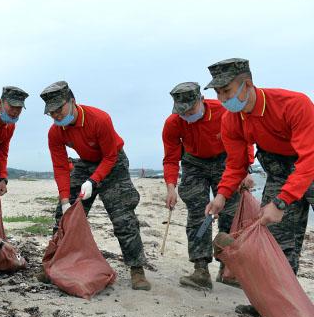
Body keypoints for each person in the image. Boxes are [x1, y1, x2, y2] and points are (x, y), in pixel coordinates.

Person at [204, 58, 314, 278]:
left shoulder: (293, 104)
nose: (223, 99)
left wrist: (281, 202)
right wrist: (222, 195)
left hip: (310, 163)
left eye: (227, 91)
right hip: (279, 175)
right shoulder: (231, 120)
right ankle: (277, 306)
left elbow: (309, 157)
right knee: (273, 240)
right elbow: (236, 164)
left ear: (248, 84)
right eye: (218, 93)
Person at [39, 81, 151, 291]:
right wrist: (64, 199)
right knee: (64, 216)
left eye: (59, 109)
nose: (56, 116)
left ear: (72, 101)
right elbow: (61, 167)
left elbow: (110, 156)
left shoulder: (99, 119)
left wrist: (94, 180)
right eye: (51, 113)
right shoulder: (55, 132)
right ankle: (53, 264)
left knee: (123, 217)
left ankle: (137, 269)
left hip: (113, 164)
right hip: (85, 165)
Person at [162, 82, 252, 289]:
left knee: (230, 213)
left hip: (225, 160)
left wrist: (245, 171)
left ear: (201, 100)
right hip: (194, 164)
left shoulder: (224, 113)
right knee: (197, 213)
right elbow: (170, 159)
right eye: (181, 112)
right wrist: (170, 187)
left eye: (190, 110)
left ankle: (227, 268)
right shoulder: (173, 123)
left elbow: (244, 141)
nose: (186, 116)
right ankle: (200, 269)